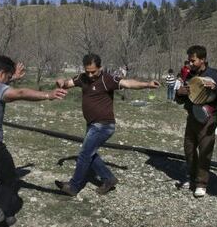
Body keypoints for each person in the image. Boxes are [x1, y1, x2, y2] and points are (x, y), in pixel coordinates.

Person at [0, 55, 67, 227]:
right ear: (3, 74)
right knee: (10, 179)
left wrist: (14, 78)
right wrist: (48, 94)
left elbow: (0, 85)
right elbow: (19, 93)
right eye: (8, 76)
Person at [54, 53, 160, 196]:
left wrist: (147, 84)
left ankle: (73, 186)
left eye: (93, 71)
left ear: (100, 67)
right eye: (88, 71)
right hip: (91, 124)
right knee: (90, 154)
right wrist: (61, 81)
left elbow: (127, 83)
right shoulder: (82, 78)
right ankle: (109, 179)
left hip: (103, 126)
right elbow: (67, 83)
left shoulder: (107, 79)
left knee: (85, 154)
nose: (90, 75)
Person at [177, 45, 217, 197]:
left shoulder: (214, 74)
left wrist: (215, 86)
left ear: (203, 59)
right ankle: (192, 177)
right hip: (192, 117)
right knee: (189, 148)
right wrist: (179, 93)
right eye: (189, 60)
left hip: (208, 118)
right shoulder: (189, 76)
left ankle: (201, 183)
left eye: (193, 60)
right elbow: (180, 99)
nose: (190, 63)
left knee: (205, 151)